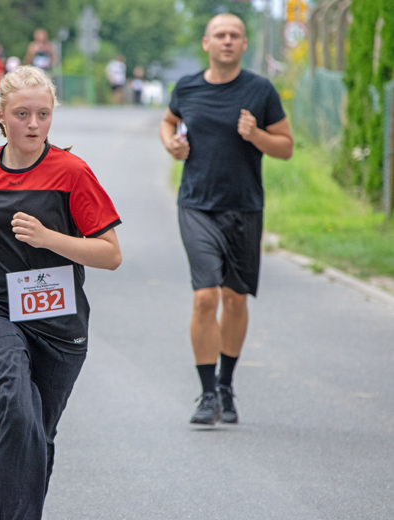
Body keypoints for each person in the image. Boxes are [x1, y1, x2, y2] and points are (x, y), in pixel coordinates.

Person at [0, 66, 122, 519]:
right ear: (1, 117)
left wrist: (50, 239)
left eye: (42, 114)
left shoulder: (72, 173)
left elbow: (110, 254)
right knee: (14, 401)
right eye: (22, 114)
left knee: (36, 433)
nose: (33, 124)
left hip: (59, 323)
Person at [159, 14, 293, 426]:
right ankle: (207, 394)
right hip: (197, 204)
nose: (227, 41)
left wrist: (256, 136)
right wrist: (172, 146)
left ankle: (227, 384)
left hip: (244, 207)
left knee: (235, 299)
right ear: (206, 43)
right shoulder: (187, 87)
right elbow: (169, 122)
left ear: (244, 43)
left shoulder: (260, 90)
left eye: (235, 35)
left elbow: (286, 147)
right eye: (220, 35)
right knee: (205, 297)